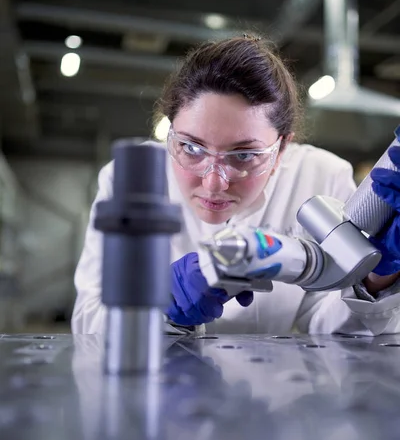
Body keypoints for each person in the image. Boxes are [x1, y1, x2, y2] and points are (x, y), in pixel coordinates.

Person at [72, 35, 400, 335]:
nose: (214, 182)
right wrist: (160, 309)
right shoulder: (131, 178)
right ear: (171, 132)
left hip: (271, 392)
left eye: (243, 155)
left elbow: (334, 327)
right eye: (191, 147)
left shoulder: (319, 176)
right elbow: (88, 320)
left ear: (281, 147)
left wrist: (376, 279)